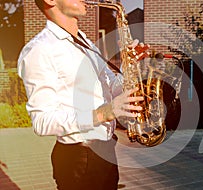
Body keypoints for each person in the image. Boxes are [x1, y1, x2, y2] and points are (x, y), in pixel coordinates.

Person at [17, 0, 148, 189]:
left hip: (106, 151)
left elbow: (112, 87)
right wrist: (104, 113)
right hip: (79, 160)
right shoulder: (39, 50)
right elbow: (42, 122)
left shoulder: (85, 42)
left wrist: (131, 67)